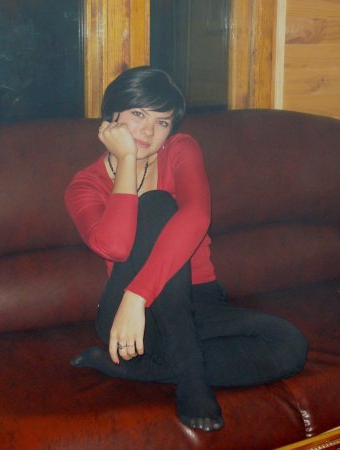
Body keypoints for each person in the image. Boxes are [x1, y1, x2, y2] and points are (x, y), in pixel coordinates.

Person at [64, 66, 308, 432]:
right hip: (132, 320)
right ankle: (191, 379)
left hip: (195, 300)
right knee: (156, 204)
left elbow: (196, 216)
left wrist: (138, 294)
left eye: (162, 122)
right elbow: (115, 246)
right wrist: (127, 161)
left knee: (288, 344)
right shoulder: (84, 185)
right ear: (111, 115)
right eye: (138, 114)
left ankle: (143, 369)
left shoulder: (181, 149)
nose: (148, 131)